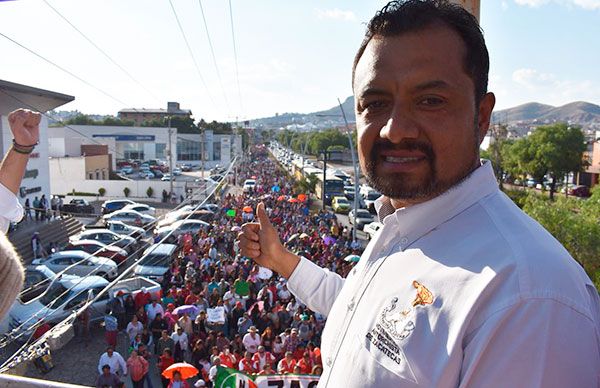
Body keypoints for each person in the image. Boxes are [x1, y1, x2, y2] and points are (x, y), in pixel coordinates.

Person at [236, 1, 600, 387]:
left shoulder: (530, 297)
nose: (395, 129)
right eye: (375, 104)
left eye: (430, 101)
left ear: (481, 115)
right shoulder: (402, 228)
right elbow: (358, 312)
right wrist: (281, 260)